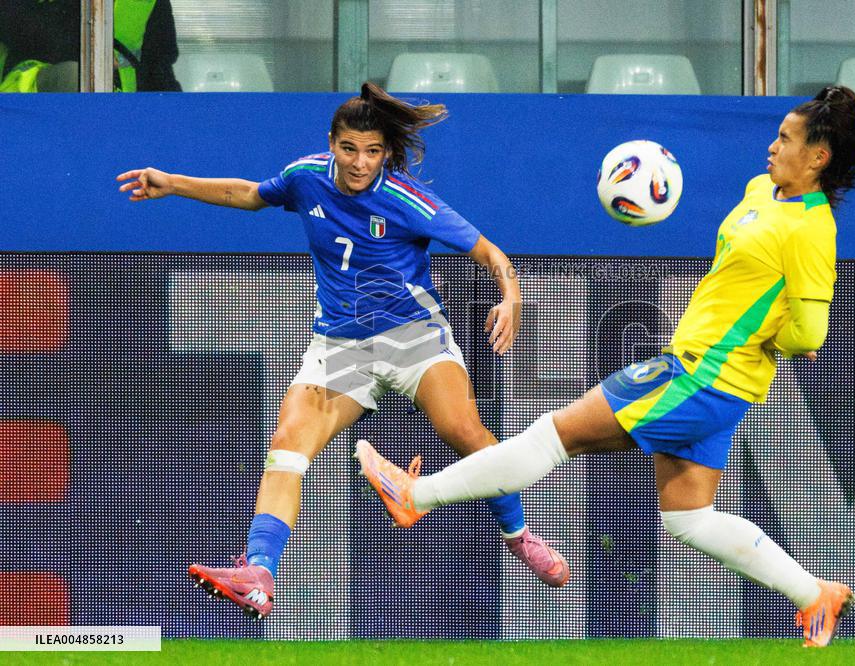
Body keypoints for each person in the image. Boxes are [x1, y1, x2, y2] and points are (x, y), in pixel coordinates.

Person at [356, 86, 855, 648]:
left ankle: (417, 497)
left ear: (818, 157)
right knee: (689, 518)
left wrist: (785, 334)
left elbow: (811, 332)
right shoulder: (762, 191)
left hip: (702, 376)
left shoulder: (813, 230)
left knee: (553, 436)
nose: (772, 145)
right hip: (719, 381)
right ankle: (811, 593)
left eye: (787, 139)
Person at [116, 82, 569, 620]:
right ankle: (259, 573)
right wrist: (173, 184)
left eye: (373, 151)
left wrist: (512, 295)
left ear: (386, 153)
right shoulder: (306, 177)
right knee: (287, 444)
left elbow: (489, 251)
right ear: (331, 143)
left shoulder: (406, 200)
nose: (360, 163)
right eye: (350, 148)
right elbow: (247, 194)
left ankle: (518, 534)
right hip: (339, 344)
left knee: (466, 432)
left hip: (414, 339)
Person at [0, 0, 180, 92]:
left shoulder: (147, 3)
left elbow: (160, 70)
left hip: (118, 113)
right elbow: (19, 28)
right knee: (74, 78)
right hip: (27, 100)